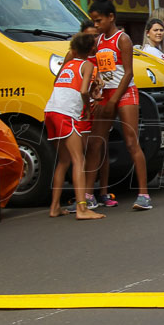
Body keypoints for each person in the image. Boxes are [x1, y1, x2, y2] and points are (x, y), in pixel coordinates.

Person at [87, 0, 152, 211]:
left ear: (111, 17)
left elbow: (128, 72)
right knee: (96, 142)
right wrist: (97, 90)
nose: (96, 25)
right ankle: (89, 195)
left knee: (131, 142)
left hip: (124, 93)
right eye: (94, 21)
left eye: (98, 21)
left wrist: (114, 99)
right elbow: (99, 70)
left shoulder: (122, 39)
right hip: (106, 94)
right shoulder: (97, 41)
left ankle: (144, 194)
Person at [44, 32, 105, 220]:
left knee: (64, 161)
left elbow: (58, 83)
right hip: (66, 113)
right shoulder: (87, 65)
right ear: (92, 49)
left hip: (51, 111)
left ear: (74, 49)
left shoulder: (68, 64)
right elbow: (83, 90)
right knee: (79, 159)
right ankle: (82, 208)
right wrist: (88, 106)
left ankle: (54, 207)